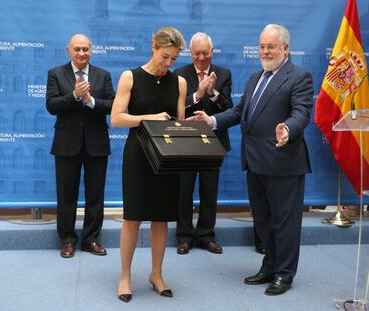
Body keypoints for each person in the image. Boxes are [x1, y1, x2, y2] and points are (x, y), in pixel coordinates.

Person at [187, 24, 313, 296]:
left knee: (285, 221)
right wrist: (211, 120)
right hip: (255, 162)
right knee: (264, 220)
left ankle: (284, 273)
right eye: (262, 46)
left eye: (271, 46)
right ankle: (269, 266)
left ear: (286, 49)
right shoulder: (256, 77)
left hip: (283, 162)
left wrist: (288, 129)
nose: (265, 51)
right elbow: (240, 112)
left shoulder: (299, 77)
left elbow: (302, 113)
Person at [110, 26, 187, 303]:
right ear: (153, 48)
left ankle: (156, 274)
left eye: (174, 59)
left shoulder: (179, 82)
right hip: (138, 154)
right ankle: (125, 276)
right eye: (165, 56)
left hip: (167, 157)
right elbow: (116, 118)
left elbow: (177, 122)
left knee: (161, 217)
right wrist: (148, 118)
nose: (168, 64)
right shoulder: (130, 76)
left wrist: (189, 127)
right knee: (133, 217)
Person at [46, 34, 115, 258]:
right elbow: (52, 106)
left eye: (86, 49)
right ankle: (67, 240)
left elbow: (114, 105)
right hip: (66, 144)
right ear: (69, 51)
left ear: (91, 51)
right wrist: (75, 96)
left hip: (97, 143)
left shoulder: (103, 75)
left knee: (96, 194)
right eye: (77, 49)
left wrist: (91, 101)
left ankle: (91, 239)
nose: (82, 53)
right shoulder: (56, 74)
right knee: (66, 194)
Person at [174, 32, 233, 255]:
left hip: (214, 142)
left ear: (212, 52)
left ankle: (206, 236)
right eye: (196, 53)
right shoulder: (180, 74)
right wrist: (197, 95)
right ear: (190, 53)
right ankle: (184, 237)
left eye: (205, 53)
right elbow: (176, 108)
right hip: (187, 141)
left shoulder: (224, 74)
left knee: (210, 191)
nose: (201, 58)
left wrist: (213, 92)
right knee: (184, 191)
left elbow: (230, 109)